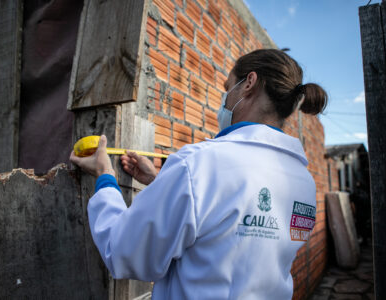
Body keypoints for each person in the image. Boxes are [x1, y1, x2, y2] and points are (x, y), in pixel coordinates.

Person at [70, 49, 327, 299]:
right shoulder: (303, 182)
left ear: (249, 83)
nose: (224, 101)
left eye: (228, 88)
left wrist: (105, 176)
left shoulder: (199, 164)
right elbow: (229, 226)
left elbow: (126, 252)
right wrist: (162, 184)